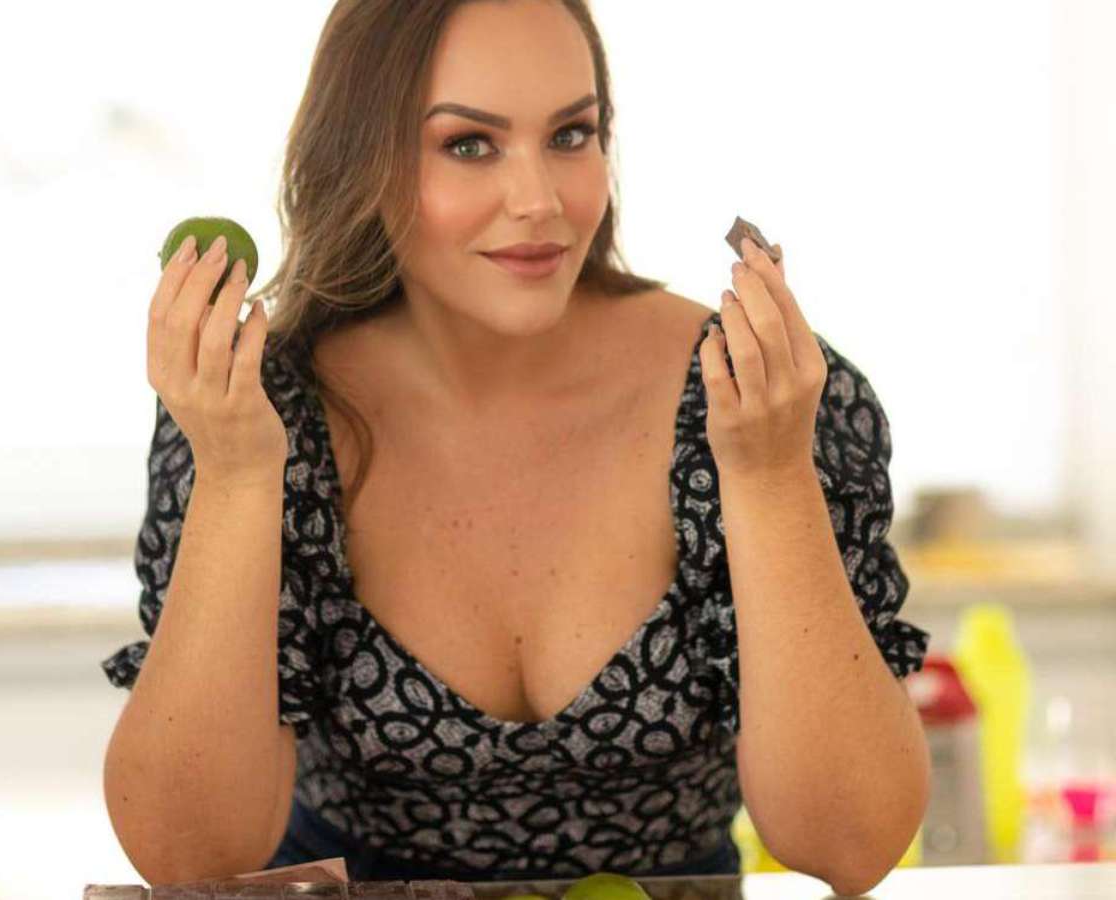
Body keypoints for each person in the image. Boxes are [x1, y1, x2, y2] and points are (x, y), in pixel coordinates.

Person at [101, 0, 931, 892]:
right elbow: (190, 857)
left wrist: (769, 477)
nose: (540, 202)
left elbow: (850, 846)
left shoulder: (758, 393)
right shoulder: (263, 409)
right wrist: (236, 476)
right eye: (469, 144)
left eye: (571, 135)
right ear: (361, 159)